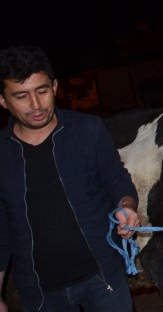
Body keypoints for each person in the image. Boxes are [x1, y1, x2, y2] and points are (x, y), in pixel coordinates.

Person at [0, 45, 140, 312]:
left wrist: (127, 206)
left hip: (103, 277)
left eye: (42, 91)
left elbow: (116, 180)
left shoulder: (88, 130)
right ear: (3, 100)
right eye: (21, 96)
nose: (36, 105)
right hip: (41, 293)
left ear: (54, 87)